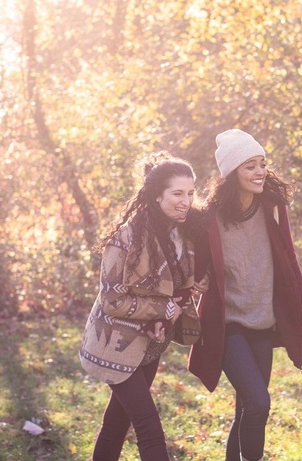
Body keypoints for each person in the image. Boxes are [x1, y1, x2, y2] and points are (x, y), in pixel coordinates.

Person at [188, 129, 302, 461]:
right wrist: (198, 278)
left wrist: (300, 310)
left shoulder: (273, 208)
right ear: (232, 173)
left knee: (247, 407)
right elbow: (195, 262)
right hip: (228, 324)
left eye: (262, 164)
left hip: (263, 322)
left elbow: (288, 258)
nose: (260, 172)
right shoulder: (209, 217)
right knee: (259, 402)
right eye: (250, 166)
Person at [79, 152, 206, 461]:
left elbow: (182, 282)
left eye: (190, 193)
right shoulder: (126, 238)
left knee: (116, 423)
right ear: (157, 195)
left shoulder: (183, 233)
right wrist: (162, 309)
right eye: (177, 193)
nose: (186, 200)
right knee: (149, 427)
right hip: (113, 345)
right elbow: (113, 301)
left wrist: (198, 286)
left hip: (149, 346)